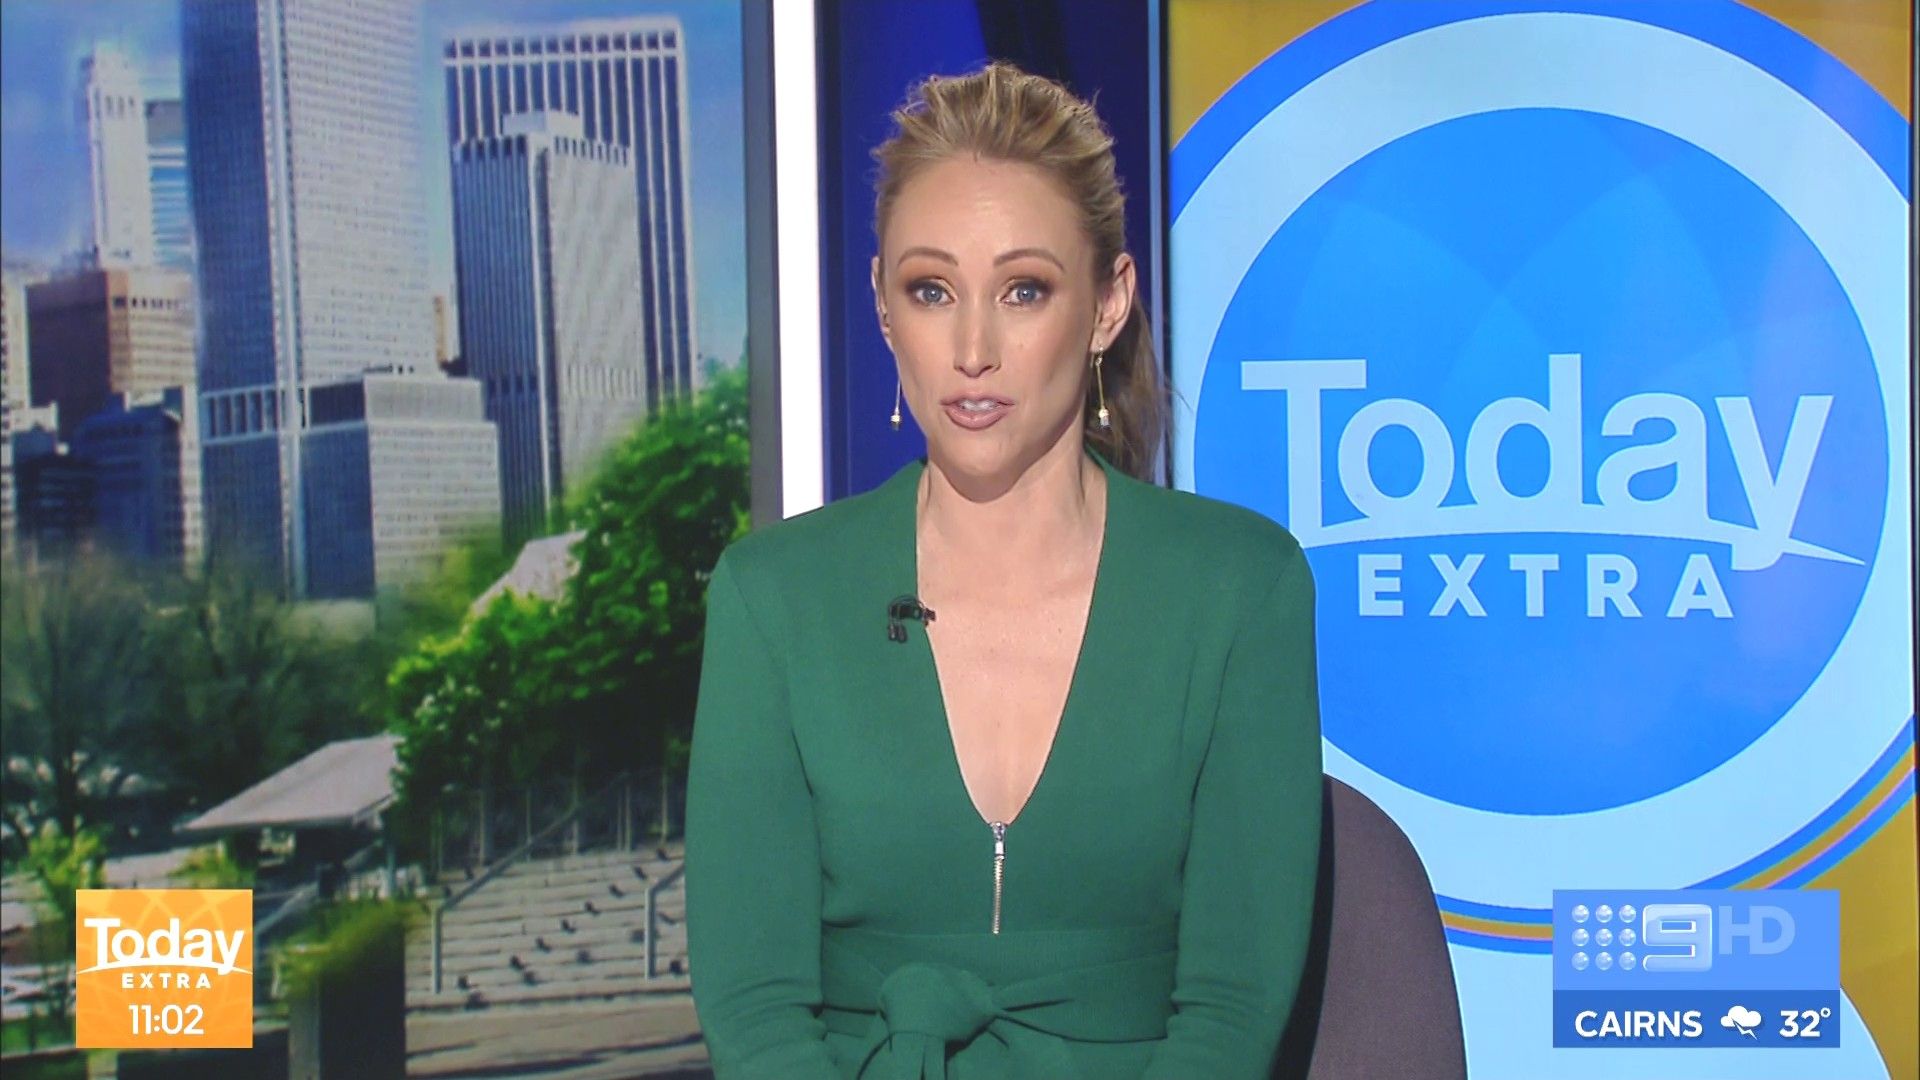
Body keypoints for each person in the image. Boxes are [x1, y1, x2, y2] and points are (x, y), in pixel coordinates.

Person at [686, 61, 1323, 1079]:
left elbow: (1232, 1012)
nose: (972, 348)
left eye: (1024, 290)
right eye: (931, 291)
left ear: (1108, 304)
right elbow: (756, 1014)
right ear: (883, 306)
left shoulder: (1242, 589)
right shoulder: (773, 598)